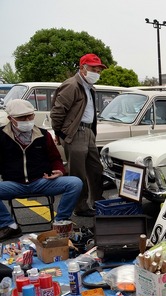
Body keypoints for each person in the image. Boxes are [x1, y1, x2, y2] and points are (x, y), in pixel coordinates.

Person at [0, 99, 83, 240]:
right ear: (10, 119)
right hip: (14, 184)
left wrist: (58, 170)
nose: (27, 120)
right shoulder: (1, 136)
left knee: (75, 183)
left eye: (30, 116)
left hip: (42, 181)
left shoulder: (44, 135)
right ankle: (9, 225)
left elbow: (55, 159)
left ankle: (60, 222)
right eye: (21, 118)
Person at [50, 53, 107, 217]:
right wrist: (60, 133)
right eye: (93, 69)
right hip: (76, 133)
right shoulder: (72, 85)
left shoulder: (88, 87)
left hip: (87, 131)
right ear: (82, 68)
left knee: (96, 169)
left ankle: (98, 201)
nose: (96, 72)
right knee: (78, 173)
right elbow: (58, 111)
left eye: (98, 70)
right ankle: (81, 206)